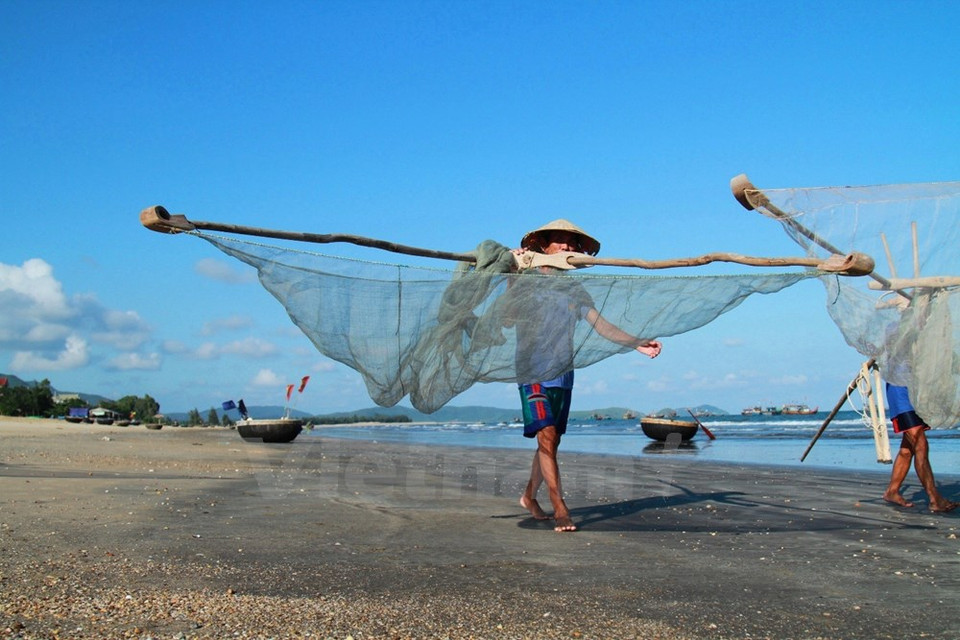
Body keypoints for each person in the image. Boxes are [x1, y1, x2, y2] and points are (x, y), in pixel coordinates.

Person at [507, 219, 662, 532]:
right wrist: (512, 272)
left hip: (563, 376)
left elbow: (600, 325)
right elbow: (508, 318)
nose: (566, 246)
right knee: (546, 436)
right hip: (532, 373)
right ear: (543, 246)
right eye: (559, 240)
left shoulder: (574, 290)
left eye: (572, 243)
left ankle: (528, 497)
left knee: (550, 441)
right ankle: (560, 507)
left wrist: (636, 342)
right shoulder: (525, 279)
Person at [881, 383, 958, 513]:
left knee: (907, 450)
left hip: (917, 397)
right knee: (920, 445)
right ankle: (935, 499)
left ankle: (892, 491)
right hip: (901, 397)